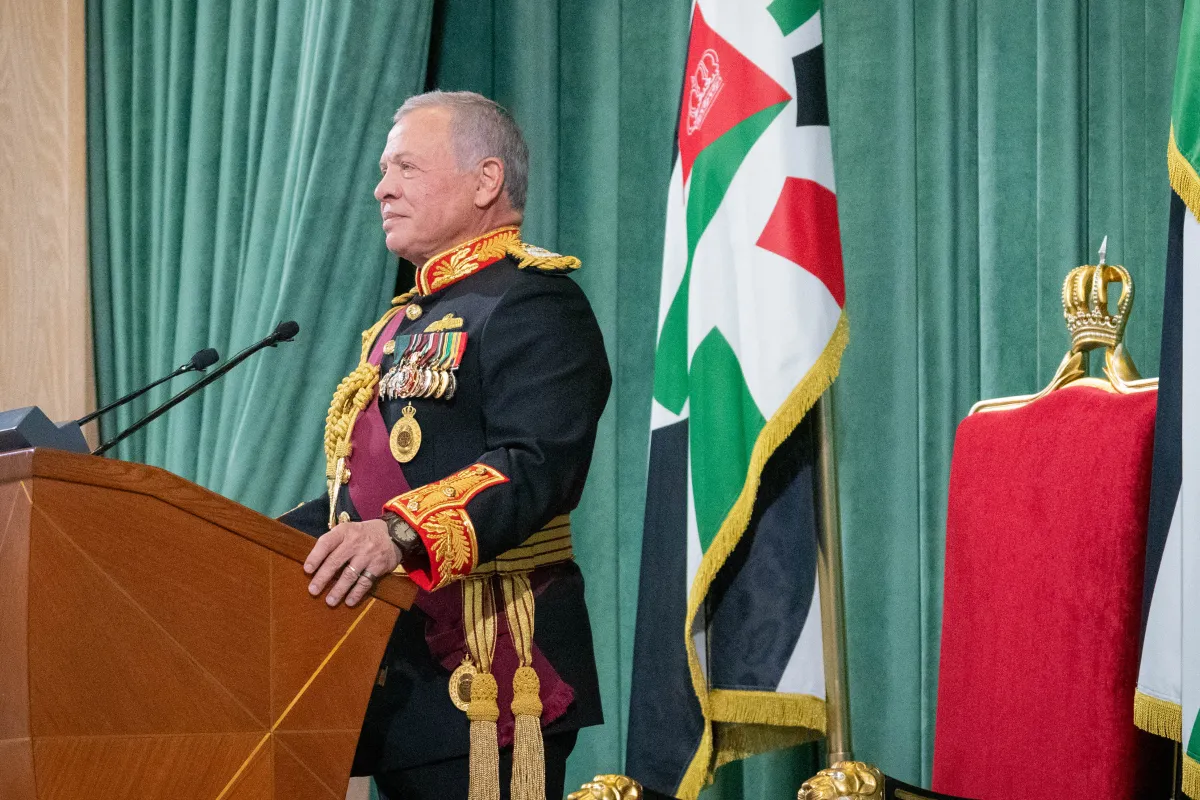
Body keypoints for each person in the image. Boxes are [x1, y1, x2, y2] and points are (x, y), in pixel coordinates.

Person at [279, 91, 612, 800]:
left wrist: (400, 532)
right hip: (395, 677)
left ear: (486, 181)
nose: (381, 187)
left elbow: (535, 464)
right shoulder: (403, 322)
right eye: (382, 168)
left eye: (405, 166)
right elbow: (357, 497)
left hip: (492, 667)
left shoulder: (532, 302)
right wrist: (241, 543)